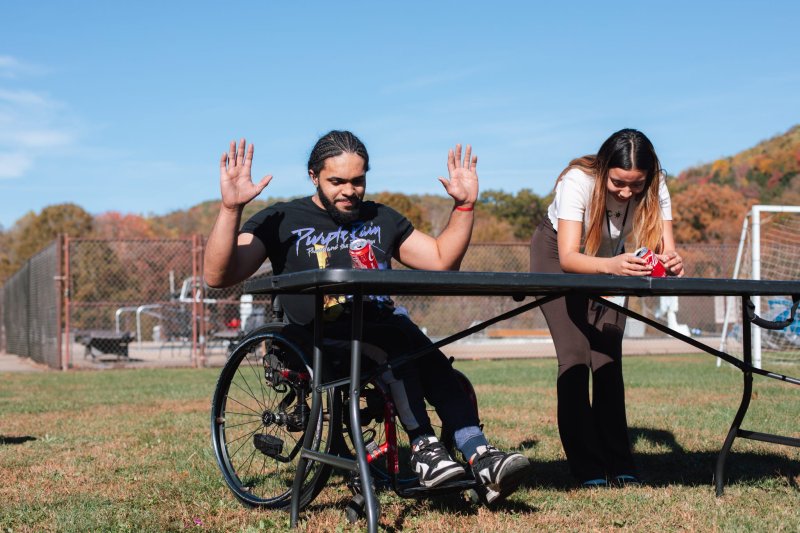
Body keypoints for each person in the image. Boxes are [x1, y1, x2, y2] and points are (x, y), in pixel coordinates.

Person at [204, 130, 529, 502]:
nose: (348, 190)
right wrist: (231, 209)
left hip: (381, 326)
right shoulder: (283, 218)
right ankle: (424, 448)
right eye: (336, 181)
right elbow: (218, 275)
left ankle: (480, 456)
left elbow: (441, 260)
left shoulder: (381, 218)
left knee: (432, 359)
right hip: (315, 339)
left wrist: (465, 207)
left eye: (357, 181)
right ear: (314, 176)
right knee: (395, 346)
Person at [529, 128, 685, 488]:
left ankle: (620, 462)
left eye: (637, 185)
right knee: (576, 355)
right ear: (603, 170)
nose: (627, 192)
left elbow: (666, 249)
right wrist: (612, 267)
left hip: (614, 259)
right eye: (618, 183)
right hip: (558, 256)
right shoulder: (577, 182)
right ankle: (588, 468)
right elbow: (569, 257)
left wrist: (671, 262)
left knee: (607, 359)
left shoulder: (657, 185)